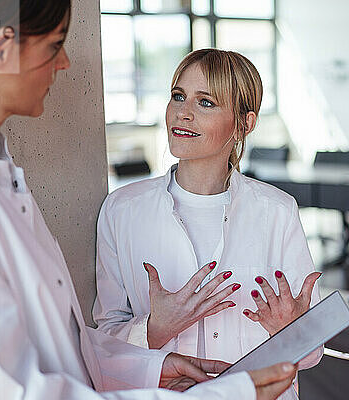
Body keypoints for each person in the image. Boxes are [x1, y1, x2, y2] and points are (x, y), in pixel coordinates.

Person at [0, 1, 299, 399]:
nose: (65, 61)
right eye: (55, 45)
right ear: (3, 49)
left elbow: (60, 343)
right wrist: (225, 395)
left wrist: (151, 366)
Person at [93, 49, 323, 400]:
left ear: (245, 123)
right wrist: (155, 329)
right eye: (178, 96)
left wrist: (289, 331)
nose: (183, 113)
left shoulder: (277, 211)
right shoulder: (121, 210)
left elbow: (310, 354)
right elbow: (103, 341)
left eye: (206, 103)